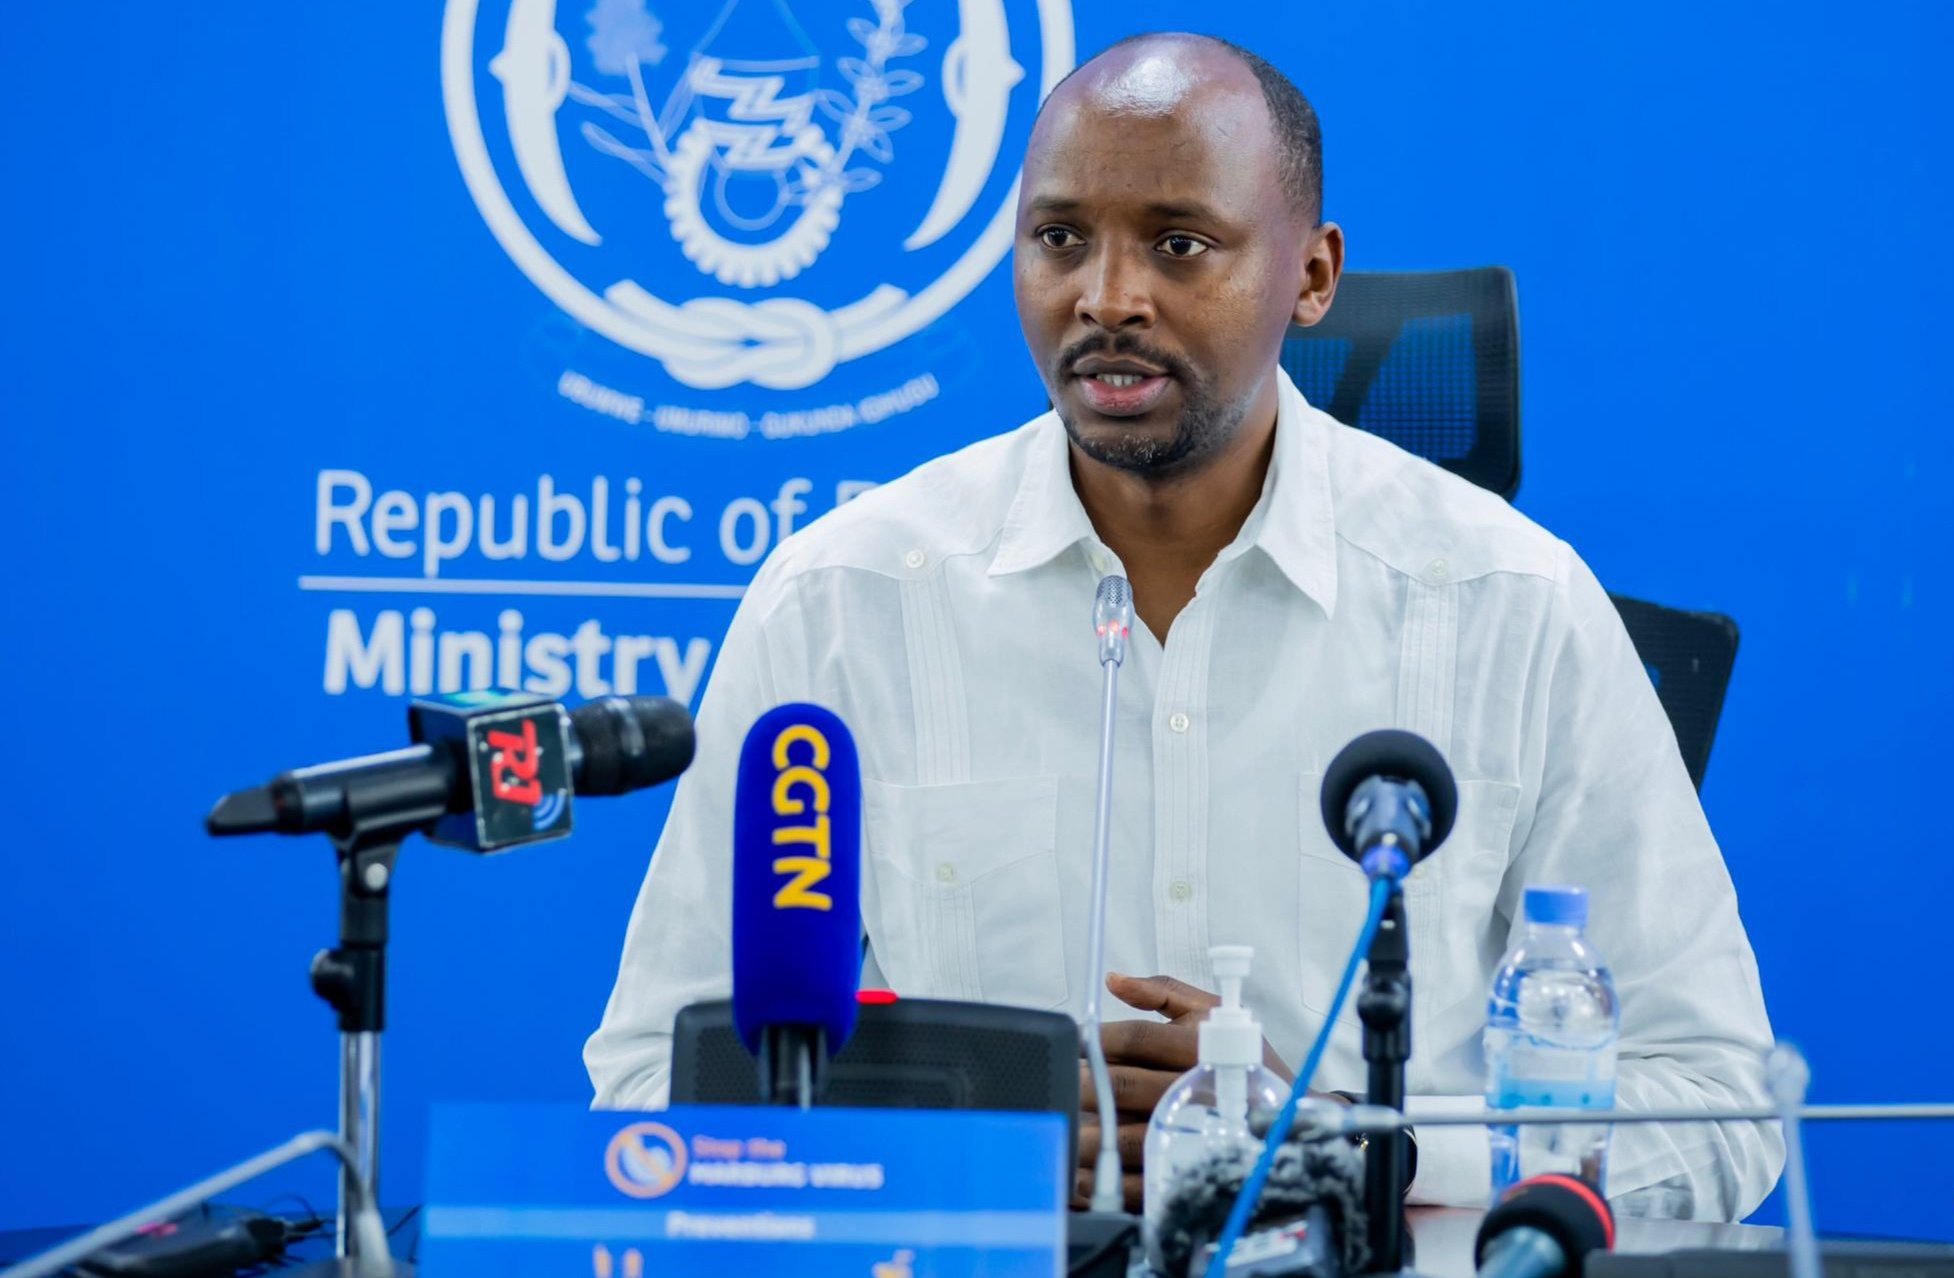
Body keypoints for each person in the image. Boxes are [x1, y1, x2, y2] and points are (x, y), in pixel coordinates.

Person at [585, 31, 1783, 1219]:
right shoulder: (844, 601)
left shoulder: (1511, 605)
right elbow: (653, 1084)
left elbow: (1716, 1105)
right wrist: (970, 1152)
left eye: (1178, 244)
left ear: (1311, 276)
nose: (1106, 298)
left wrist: (1368, 1153)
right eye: (1060, 238)